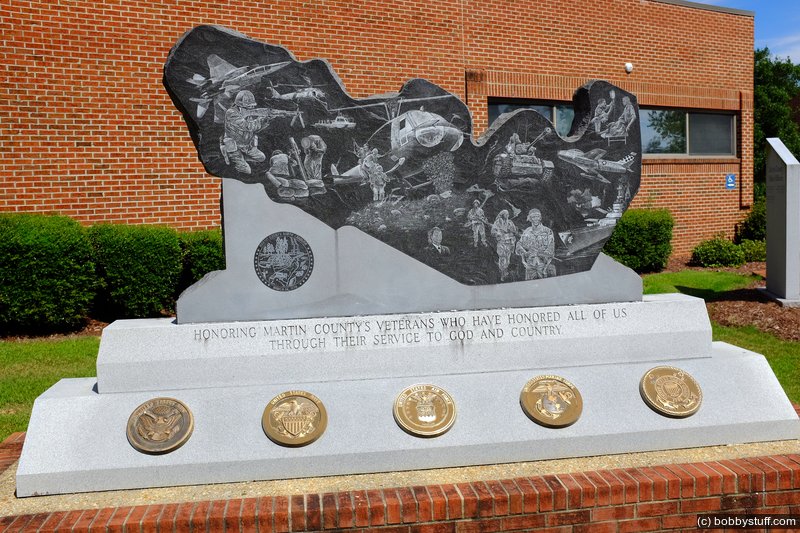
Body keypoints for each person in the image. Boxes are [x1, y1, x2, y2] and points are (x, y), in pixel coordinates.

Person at [222, 90, 267, 174]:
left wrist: (265, 121)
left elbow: (255, 129)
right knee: (247, 171)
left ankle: (241, 158)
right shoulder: (231, 113)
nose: (251, 109)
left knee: (261, 158)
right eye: (248, 107)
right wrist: (260, 120)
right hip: (234, 146)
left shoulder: (247, 114)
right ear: (239, 106)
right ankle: (230, 155)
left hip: (246, 146)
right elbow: (247, 126)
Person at [515, 208, 556, 280]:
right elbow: (519, 244)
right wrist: (525, 253)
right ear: (530, 219)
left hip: (543, 264)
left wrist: (541, 254)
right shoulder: (527, 231)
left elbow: (551, 248)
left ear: (540, 218)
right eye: (533, 217)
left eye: (537, 216)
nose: (536, 219)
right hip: (530, 264)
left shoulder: (547, 231)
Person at [490, 210, 517, 281]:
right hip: (501, 242)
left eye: (508, 214)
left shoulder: (510, 222)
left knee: (508, 258)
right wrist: (498, 233)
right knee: (502, 257)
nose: (507, 215)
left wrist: (511, 230)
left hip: (509, 242)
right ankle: (502, 273)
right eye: (506, 214)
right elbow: (493, 232)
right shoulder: (497, 222)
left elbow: (514, 231)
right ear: (502, 215)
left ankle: (505, 271)